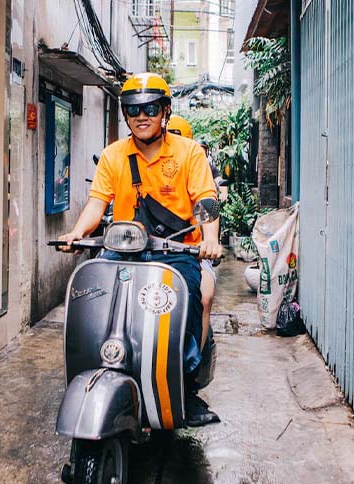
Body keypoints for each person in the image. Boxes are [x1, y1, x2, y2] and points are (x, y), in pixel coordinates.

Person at [57, 73, 222, 426]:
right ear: (125, 114)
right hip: (125, 249)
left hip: (177, 251)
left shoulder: (189, 153)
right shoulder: (113, 155)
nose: (141, 115)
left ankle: (185, 383)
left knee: (191, 297)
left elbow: (205, 200)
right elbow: (96, 205)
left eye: (150, 108)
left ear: (165, 111)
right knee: (93, 292)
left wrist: (209, 238)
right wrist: (75, 232)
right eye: (133, 109)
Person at [167, 117, 218, 354]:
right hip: (143, 251)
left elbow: (207, 202)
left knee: (204, 296)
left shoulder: (195, 163)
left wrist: (210, 240)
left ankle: (192, 363)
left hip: (190, 250)